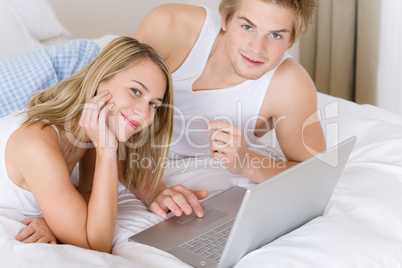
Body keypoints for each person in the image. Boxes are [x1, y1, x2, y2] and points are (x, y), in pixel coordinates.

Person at [128, 0, 326, 219]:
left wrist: (248, 163)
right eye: (247, 27)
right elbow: (107, 110)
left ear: (291, 40)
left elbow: (317, 176)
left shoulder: (290, 85)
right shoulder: (170, 26)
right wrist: (151, 190)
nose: (256, 49)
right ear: (225, 18)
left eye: (275, 35)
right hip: (138, 157)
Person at [0, 36, 173, 251]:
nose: (145, 114)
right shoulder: (36, 144)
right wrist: (107, 152)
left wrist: (59, 224)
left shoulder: (91, 129)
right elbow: (96, 245)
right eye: (136, 91)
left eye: (153, 105)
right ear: (100, 80)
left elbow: (89, 196)